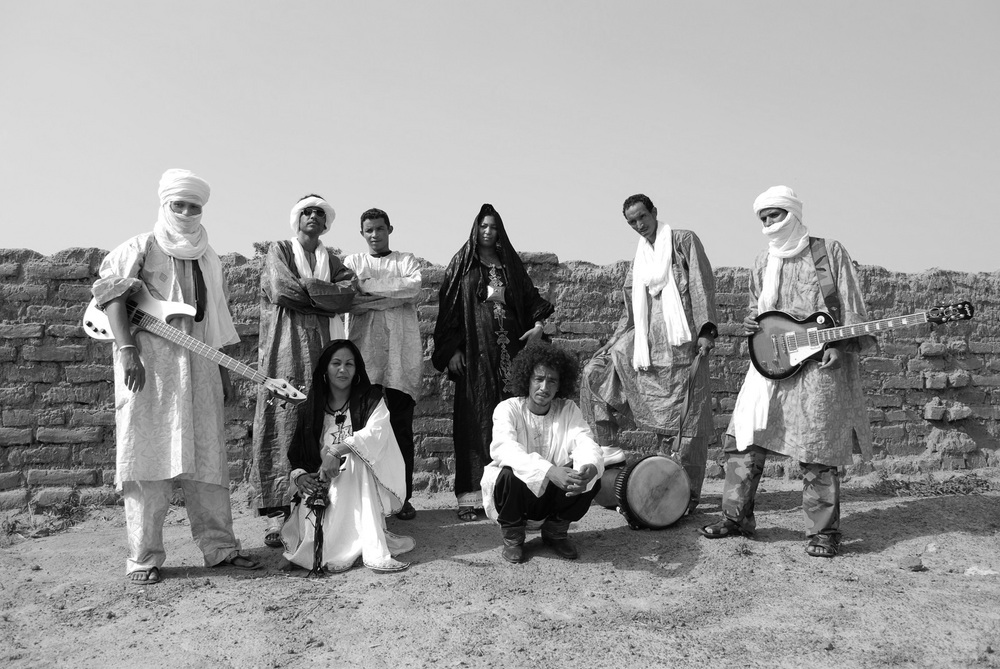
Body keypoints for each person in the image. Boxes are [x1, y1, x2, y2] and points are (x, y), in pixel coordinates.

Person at [92, 168, 259, 584]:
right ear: (164, 204)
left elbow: (216, 321)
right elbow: (110, 296)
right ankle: (144, 557)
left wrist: (223, 373)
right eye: (179, 205)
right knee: (147, 461)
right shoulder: (138, 246)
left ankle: (220, 548)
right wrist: (127, 350)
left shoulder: (208, 257)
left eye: (194, 206)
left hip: (201, 367)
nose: (186, 212)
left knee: (208, 462)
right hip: (150, 371)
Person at [700, 185, 874, 558]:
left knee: (818, 449)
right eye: (763, 219)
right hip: (771, 365)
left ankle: (823, 533)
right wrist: (751, 323)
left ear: (793, 214)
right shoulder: (763, 262)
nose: (769, 224)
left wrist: (840, 348)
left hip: (818, 368)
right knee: (744, 438)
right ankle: (736, 518)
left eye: (775, 215)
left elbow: (852, 307)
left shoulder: (828, 253)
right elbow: (757, 311)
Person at [580, 194, 718, 513]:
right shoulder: (640, 256)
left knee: (687, 425)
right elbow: (630, 308)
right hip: (648, 349)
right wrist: (613, 343)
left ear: (654, 212)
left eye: (643, 217)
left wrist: (707, 331)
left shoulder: (683, 240)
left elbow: (700, 284)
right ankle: (612, 455)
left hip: (684, 347)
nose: (639, 225)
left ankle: (686, 496)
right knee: (594, 374)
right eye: (632, 222)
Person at [432, 203, 555, 521]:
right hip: (475, 357)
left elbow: (532, 299)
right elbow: (448, 311)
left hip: (512, 354)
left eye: (494, 227)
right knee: (476, 419)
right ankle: (471, 497)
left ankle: (515, 492)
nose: (488, 232)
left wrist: (539, 327)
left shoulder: (509, 265)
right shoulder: (461, 264)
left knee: (515, 421)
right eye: (483, 226)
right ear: (475, 229)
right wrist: (452, 350)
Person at [250, 194, 358, 549]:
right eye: (307, 211)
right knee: (285, 421)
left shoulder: (335, 261)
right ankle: (285, 513)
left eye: (320, 213)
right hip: (287, 349)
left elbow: (347, 295)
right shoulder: (279, 250)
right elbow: (281, 289)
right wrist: (322, 295)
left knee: (318, 424)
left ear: (326, 224)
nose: (313, 216)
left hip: (324, 348)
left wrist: (312, 290)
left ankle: (316, 512)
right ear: (297, 218)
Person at [280, 339, 415, 573]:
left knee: (355, 459)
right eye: (336, 363)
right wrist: (301, 477)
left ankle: (348, 546)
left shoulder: (371, 399)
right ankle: (318, 546)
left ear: (357, 369)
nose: (343, 370)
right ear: (325, 368)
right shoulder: (312, 406)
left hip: (360, 484)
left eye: (349, 364)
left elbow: (376, 434)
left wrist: (337, 450)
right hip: (322, 484)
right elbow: (299, 455)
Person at [481, 342, 604, 563]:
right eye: (538, 379)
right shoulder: (507, 409)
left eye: (552, 381)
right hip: (517, 498)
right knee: (510, 473)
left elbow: (584, 440)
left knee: (590, 476)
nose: (544, 387)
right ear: (527, 379)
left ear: (560, 385)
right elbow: (505, 449)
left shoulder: (567, 409)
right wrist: (549, 471)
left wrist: (589, 466)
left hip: (553, 496)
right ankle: (513, 538)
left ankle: (555, 532)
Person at [344, 208, 423, 521]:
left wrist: (368, 288)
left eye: (379, 228)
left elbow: (413, 287)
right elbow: (349, 299)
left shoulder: (407, 261)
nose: (374, 235)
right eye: (368, 230)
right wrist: (394, 294)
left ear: (390, 228)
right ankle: (369, 499)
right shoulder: (353, 263)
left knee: (401, 430)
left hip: (402, 361)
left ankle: (402, 498)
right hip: (365, 360)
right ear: (362, 234)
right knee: (364, 430)